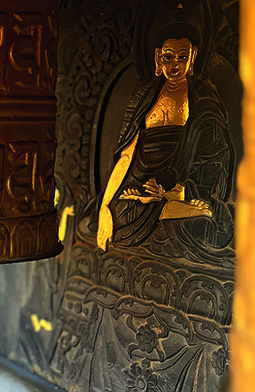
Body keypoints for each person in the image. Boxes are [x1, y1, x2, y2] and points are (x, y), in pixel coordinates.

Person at [97, 24, 234, 254]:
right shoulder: (143, 98)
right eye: (168, 57)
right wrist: (104, 206)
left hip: (184, 187)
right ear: (158, 58)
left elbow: (216, 156)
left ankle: (173, 205)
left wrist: (184, 191)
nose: (175, 65)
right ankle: (168, 207)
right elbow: (127, 155)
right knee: (118, 211)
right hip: (144, 187)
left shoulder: (203, 100)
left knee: (222, 228)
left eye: (182, 57)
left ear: (193, 58)